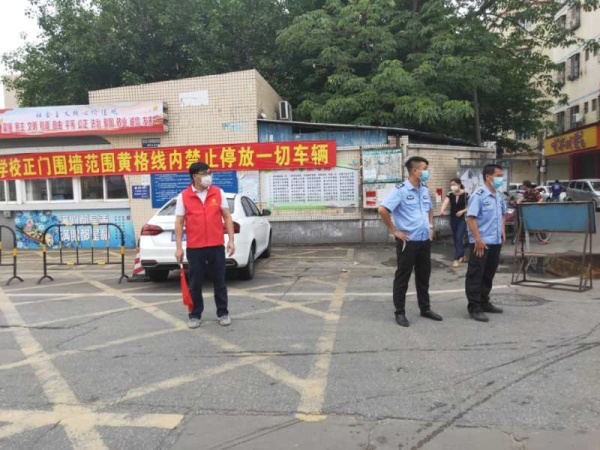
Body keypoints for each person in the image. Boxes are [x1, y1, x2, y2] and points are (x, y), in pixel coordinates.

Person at [378, 156, 443, 327]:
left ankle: (425, 308)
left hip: (424, 240)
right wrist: (394, 231)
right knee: (403, 277)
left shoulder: (424, 189)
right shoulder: (400, 190)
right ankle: (400, 312)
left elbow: (430, 209)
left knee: (423, 276)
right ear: (415, 171)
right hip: (408, 241)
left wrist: (430, 227)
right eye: (424, 168)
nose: (427, 172)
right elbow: (383, 210)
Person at [174, 162, 235, 329]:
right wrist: (178, 248)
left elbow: (227, 217)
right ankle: (195, 315)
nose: (209, 176)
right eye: (205, 173)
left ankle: (223, 313)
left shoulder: (218, 192)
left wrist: (231, 240)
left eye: (210, 173)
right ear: (195, 176)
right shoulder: (184, 196)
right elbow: (179, 222)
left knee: (219, 281)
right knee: (195, 283)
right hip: (195, 247)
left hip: (216, 245)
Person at [464, 164, 506, 323]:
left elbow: (502, 214)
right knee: (476, 275)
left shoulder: (498, 195)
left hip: (495, 241)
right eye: (498, 175)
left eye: (501, 175)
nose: (501, 178)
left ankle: (484, 302)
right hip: (481, 243)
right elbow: (470, 218)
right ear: (488, 177)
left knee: (489, 273)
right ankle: (474, 307)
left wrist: (502, 230)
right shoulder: (478, 195)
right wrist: (478, 239)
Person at [440, 178, 469, 268]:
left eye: (454, 184)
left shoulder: (466, 194)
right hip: (453, 218)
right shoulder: (450, 194)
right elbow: (445, 203)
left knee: (459, 236)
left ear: (459, 184)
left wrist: (462, 211)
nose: (452, 186)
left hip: (462, 219)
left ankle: (456, 259)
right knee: (456, 238)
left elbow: (470, 206)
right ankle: (462, 255)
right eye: (451, 185)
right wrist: (442, 209)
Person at [518, 180, 548, 244]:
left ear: (525, 185)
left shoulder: (535, 191)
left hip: (537, 210)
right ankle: (523, 237)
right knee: (524, 221)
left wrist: (536, 205)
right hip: (529, 210)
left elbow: (541, 199)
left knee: (538, 224)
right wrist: (518, 201)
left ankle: (544, 239)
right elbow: (522, 198)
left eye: (523, 185)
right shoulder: (526, 192)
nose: (522, 186)